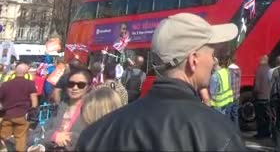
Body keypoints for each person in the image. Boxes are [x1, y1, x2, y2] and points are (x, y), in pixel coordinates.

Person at [75, 13, 245, 151]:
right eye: (212, 54)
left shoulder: (96, 134)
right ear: (193, 60)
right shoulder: (219, 133)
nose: (214, 61)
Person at [43, 68, 92, 151]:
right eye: (71, 84)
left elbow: (94, 139)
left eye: (81, 85)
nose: (75, 88)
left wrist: (69, 139)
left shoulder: (92, 110)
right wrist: (54, 137)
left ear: (88, 87)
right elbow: (35, 136)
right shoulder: (56, 108)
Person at [0, 63, 38, 152]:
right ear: (26, 73)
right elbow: (34, 100)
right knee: (20, 138)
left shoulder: (6, 84)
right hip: (22, 115)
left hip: (7, 115)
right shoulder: (30, 83)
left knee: (3, 136)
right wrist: (33, 109)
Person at [253, 55, 272, 138]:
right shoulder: (270, 70)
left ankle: (260, 134)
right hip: (268, 97)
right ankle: (267, 132)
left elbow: (257, 85)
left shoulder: (259, 70)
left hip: (260, 97)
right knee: (267, 116)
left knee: (260, 117)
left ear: (262, 60)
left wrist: (254, 94)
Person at [228, 55, 241, 129]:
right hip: (237, 95)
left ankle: (230, 130)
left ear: (230, 61)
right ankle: (237, 130)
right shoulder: (238, 70)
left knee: (229, 114)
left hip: (230, 97)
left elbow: (229, 84)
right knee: (235, 114)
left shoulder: (229, 70)